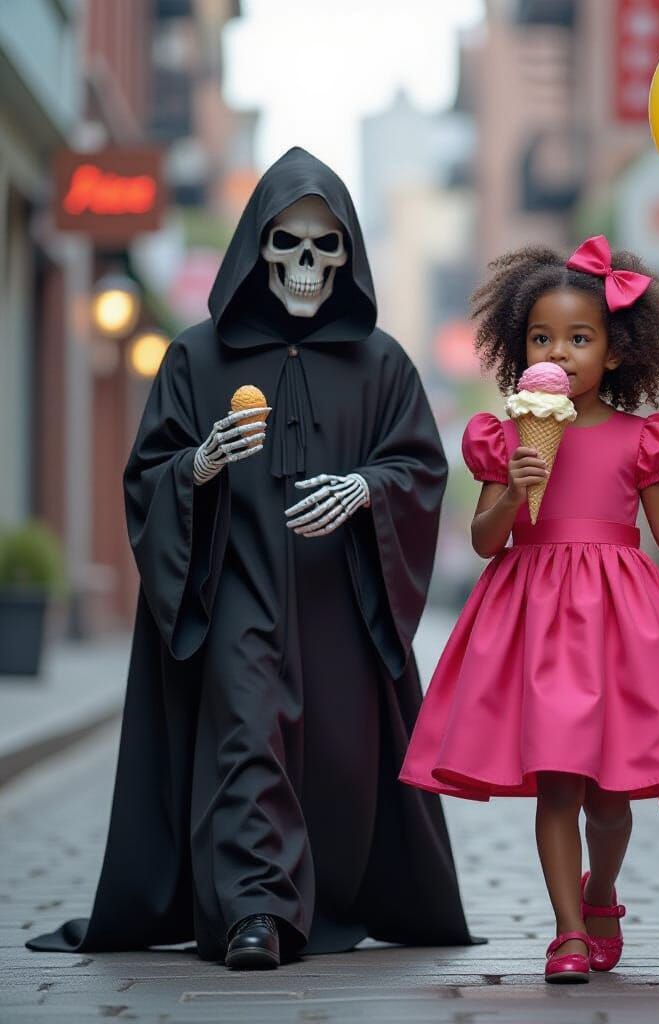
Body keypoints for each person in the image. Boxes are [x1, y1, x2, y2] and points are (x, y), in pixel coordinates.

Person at [28, 147, 473, 969]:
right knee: (243, 732)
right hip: (237, 586)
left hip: (339, 598)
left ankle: (323, 895)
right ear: (257, 248)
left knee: (340, 761)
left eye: (325, 245)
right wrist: (199, 465)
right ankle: (254, 913)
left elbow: (420, 468)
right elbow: (147, 476)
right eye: (288, 243)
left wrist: (367, 488)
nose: (306, 265)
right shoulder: (196, 357)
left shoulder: (382, 362)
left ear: (346, 255)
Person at [400, 235, 659, 983]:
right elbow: (487, 540)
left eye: (580, 337)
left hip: (621, 620)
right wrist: (511, 485)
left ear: (618, 352)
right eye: (542, 336)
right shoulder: (504, 437)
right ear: (517, 348)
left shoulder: (643, 437)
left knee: (610, 794)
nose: (559, 350)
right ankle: (566, 933)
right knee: (558, 778)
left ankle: (600, 892)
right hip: (535, 616)